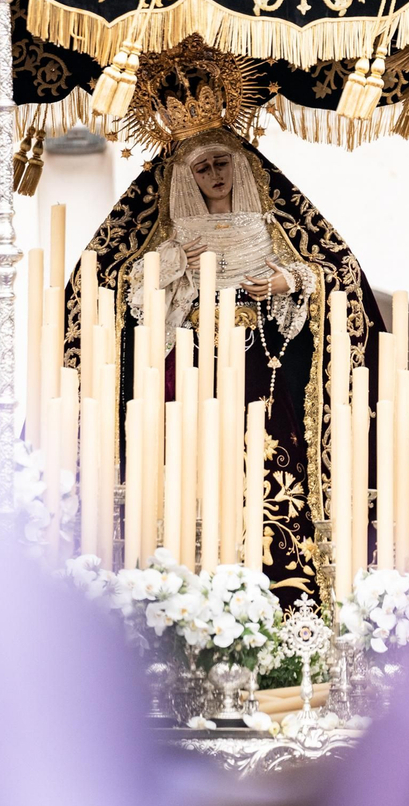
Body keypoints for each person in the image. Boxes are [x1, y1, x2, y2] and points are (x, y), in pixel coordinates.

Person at [66, 127, 382, 604]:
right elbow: (117, 288)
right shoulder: (172, 239)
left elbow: (334, 275)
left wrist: (287, 281)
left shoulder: (268, 228)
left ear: (240, 165)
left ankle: (280, 592)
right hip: (188, 374)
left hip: (262, 377)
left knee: (268, 469)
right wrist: (169, 264)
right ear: (185, 177)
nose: (215, 174)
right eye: (202, 167)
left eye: (221, 162)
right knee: (180, 470)